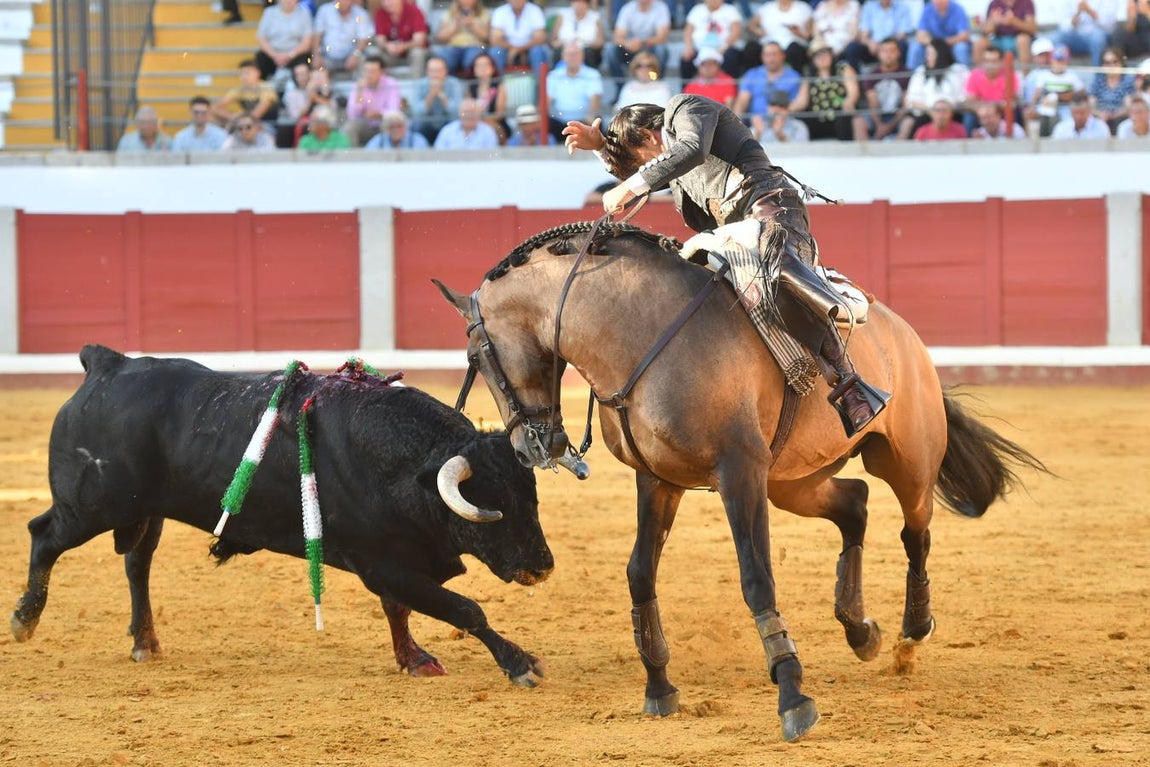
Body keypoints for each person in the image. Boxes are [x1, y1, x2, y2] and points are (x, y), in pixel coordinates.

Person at [561, 95, 889, 435]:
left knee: (775, 275)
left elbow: (690, 151)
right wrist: (601, 146)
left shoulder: (686, 108)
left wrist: (630, 186)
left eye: (640, 159)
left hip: (769, 211)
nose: (641, 170)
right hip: (729, 237)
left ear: (649, 137)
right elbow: (647, 169)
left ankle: (852, 386)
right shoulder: (671, 167)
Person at [790, 38, 860, 140]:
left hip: (839, 114)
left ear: (831, 54)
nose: (821, 57)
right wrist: (786, 109)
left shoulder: (843, 68)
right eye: (816, 54)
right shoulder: (809, 75)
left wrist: (849, 101)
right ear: (812, 59)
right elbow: (801, 101)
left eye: (824, 52)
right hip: (817, 117)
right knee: (799, 120)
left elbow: (853, 91)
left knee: (844, 118)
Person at [898, 37, 969, 137]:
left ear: (941, 54)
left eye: (931, 54)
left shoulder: (958, 70)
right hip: (926, 114)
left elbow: (967, 95)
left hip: (955, 113)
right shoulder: (921, 71)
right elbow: (910, 100)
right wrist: (931, 110)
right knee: (909, 122)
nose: (928, 58)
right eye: (927, 54)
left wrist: (946, 109)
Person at [852, 37, 910, 140]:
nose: (888, 55)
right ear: (879, 53)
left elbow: (905, 106)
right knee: (858, 121)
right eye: (884, 51)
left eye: (892, 51)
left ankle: (898, 152)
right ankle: (864, 155)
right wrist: (879, 125)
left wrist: (889, 126)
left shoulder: (906, 74)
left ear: (898, 53)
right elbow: (872, 104)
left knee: (908, 122)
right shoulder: (872, 75)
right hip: (877, 116)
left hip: (898, 116)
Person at [544, 42, 604, 142]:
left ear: (582, 56)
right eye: (569, 54)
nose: (572, 57)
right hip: (559, 122)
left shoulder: (592, 74)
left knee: (596, 122)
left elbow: (595, 97)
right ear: (563, 57)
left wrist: (590, 116)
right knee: (542, 123)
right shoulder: (553, 75)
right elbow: (547, 100)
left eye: (576, 54)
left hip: (584, 121)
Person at [1024, 43, 1085, 136]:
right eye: (1057, 60)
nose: (1059, 64)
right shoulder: (1044, 75)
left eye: (1062, 61)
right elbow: (1037, 93)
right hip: (1047, 107)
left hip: (1066, 108)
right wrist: (1033, 106)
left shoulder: (1072, 76)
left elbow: (1081, 93)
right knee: (1044, 115)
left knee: (1068, 121)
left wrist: (1067, 96)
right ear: (1051, 60)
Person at [606, 0, 672, 84]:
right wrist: (627, 43)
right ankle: (620, 87)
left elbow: (662, 37)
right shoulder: (628, 8)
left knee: (661, 50)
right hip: (630, 49)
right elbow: (617, 37)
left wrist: (641, 43)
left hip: (650, 48)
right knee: (611, 50)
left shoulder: (661, 8)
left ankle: (656, 84)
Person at [343, 54, 403, 146]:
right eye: (366, 71)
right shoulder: (358, 85)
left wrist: (378, 114)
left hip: (385, 123)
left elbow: (394, 110)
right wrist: (359, 92)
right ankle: (352, 158)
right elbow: (352, 114)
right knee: (349, 127)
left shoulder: (391, 84)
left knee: (393, 123)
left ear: (382, 72)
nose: (368, 75)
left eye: (372, 71)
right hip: (366, 124)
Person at [734, 41, 804, 120]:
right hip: (755, 123)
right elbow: (742, 100)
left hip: (784, 122)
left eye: (774, 54)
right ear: (762, 57)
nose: (771, 59)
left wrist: (783, 111)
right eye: (767, 55)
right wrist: (736, 122)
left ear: (783, 55)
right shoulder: (752, 74)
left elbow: (798, 103)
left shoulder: (794, 77)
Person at [680, 0, 744, 80]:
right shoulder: (697, 10)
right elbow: (688, 30)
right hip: (699, 49)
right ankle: (686, 90)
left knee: (731, 57)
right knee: (686, 59)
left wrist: (723, 47)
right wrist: (689, 46)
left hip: (723, 48)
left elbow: (736, 31)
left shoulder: (730, 10)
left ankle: (731, 89)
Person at [745, 0, 813, 74]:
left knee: (795, 50)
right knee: (751, 48)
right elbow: (751, 25)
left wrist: (799, 33)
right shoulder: (767, 7)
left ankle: (796, 79)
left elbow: (810, 33)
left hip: (793, 43)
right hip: (768, 43)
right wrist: (758, 31)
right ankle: (752, 79)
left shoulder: (803, 8)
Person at [845, 0, 914, 72]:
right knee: (853, 47)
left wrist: (885, 46)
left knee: (902, 45)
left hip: (893, 45)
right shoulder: (869, 6)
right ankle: (854, 81)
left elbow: (902, 34)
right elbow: (864, 34)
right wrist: (870, 43)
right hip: (873, 48)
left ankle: (902, 79)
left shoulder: (903, 7)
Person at [411, 54, 466, 144]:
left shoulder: (455, 84)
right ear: (427, 72)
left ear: (446, 71)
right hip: (427, 123)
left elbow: (457, 111)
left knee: (457, 123)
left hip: (448, 121)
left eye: (439, 71)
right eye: (432, 71)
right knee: (416, 124)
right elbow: (416, 112)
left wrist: (442, 94)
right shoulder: (419, 84)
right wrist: (431, 95)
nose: (435, 75)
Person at [212, 59, 280, 129]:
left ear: (258, 73)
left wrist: (239, 117)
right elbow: (215, 108)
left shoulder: (266, 88)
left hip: (267, 125)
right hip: (246, 124)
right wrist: (233, 117)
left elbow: (256, 115)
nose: (244, 77)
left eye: (247, 73)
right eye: (241, 74)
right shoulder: (239, 90)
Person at [277, 64, 335, 147]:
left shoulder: (319, 89)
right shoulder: (292, 94)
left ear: (310, 74)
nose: (302, 77)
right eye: (298, 75)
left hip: (324, 122)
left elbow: (332, 107)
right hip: (305, 123)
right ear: (295, 78)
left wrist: (316, 96)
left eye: (304, 74)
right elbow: (296, 116)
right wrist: (309, 100)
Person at [255, 0, 313, 82]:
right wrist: (275, 55)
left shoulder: (304, 13)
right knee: (260, 59)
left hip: (296, 54)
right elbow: (261, 38)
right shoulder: (269, 12)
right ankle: (264, 90)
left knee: (305, 62)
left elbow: (307, 42)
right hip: (273, 54)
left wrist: (290, 55)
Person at [311, 0, 375, 75]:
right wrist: (316, 55)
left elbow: (364, 38)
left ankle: (361, 85)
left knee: (368, 55)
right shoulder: (324, 11)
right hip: (327, 56)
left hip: (351, 56)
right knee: (315, 63)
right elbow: (317, 35)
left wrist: (355, 54)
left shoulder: (361, 13)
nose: (344, 2)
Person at [489, 0, 550, 75]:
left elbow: (540, 38)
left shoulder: (535, 10)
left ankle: (540, 85)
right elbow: (495, 40)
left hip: (529, 50)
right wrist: (513, 49)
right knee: (496, 51)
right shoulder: (500, 12)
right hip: (507, 51)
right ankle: (497, 85)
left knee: (538, 51)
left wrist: (518, 49)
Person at [1052, 0, 1123, 65]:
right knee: (1055, 38)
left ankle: (1098, 76)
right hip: (1075, 36)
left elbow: (1109, 26)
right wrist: (1077, 15)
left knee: (1097, 38)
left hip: (1097, 36)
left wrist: (1089, 11)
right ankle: (1054, 75)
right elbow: (1063, 26)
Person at [431, 0, 491, 76]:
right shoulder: (449, 14)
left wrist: (472, 24)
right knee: (445, 59)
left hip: (476, 46)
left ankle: (471, 86)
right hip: (453, 46)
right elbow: (440, 38)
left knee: (471, 61)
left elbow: (487, 37)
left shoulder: (483, 14)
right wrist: (455, 25)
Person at [973, 0, 1036, 70]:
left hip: (1017, 40)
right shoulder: (994, 3)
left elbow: (1032, 29)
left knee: (1023, 40)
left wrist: (1014, 21)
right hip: (998, 40)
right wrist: (993, 22)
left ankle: (1026, 77)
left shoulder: (1026, 2)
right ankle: (978, 76)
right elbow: (987, 31)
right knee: (980, 43)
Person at [908, 0, 972, 68]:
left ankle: (964, 74)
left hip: (951, 44)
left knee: (961, 48)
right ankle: (913, 76)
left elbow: (964, 35)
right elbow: (920, 35)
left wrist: (943, 43)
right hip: (932, 44)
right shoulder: (927, 9)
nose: (939, 1)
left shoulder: (958, 9)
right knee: (916, 48)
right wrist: (933, 44)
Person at [374, 0, 429, 76]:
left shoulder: (414, 11)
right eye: (383, 1)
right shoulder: (380, 13)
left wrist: (403, 46)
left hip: (410, 51)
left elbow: (420, 41)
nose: (387, 3)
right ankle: (380, 85)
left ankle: (416, 83)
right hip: (391, 53)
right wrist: (387, 46)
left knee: (418, 53)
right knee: (375, 55)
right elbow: (379, 40)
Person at [467, 53, 511, 143]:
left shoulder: (499, 86)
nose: (482, 68)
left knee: (495, 129)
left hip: (496, 123)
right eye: (479, 65)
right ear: (474, 69)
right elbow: (468, 109)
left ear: (493, 68)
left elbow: (499, 113)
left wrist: (483, 121)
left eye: (485, 65)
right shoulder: (470, 88)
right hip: (474, 122)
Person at [1090, 47, 1137, 131]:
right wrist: (1100, 114)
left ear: (1121, 63)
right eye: (1107, 63)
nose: (1111, 66)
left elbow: (1129, 106)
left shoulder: (1128, 81)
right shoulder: (1098, 81)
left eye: (1115, 62)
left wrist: (1114, 115)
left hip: (1120, 119)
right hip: (1100, 118)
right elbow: (1091, 104)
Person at [551, 0, 605, 69]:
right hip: (566, 48)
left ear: (587, 4)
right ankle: (556, 76)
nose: (579, 5)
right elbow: (553, 41)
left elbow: (600, 42)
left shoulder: (595, 17)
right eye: (576, 2)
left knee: (589, 53)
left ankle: (590, 77)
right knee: (558, 52)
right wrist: (560, 44)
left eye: (582, 2)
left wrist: (585, 43)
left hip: (587, 49)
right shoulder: (562, 15)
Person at [433, 98, 501, 149]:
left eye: (472, 112)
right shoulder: (446, 131)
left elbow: (492, 158)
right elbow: (438, 156)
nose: (469, 115)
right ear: (459, 113)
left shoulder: (488, 132)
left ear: (479, 114)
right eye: (465, 112)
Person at [364, 109, 432, 148]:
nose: (396, 130)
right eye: (392, 126)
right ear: (386, 129)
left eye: (399, 126)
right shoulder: (378, 141)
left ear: (406, 127)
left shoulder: (418, 140)